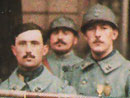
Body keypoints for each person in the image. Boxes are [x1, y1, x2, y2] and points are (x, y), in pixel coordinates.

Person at [67, 4, 130, 97]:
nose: (97, 34)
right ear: (85, 36)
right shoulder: (73, 72)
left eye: (104, 28)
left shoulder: (126, 72)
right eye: (91, 29)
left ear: (114, 34)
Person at [0, 23, 76, 94]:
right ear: (14, 50)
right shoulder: (3, 90)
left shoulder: (63, 92)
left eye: (34, 43)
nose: (28, 50)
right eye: (22, 44)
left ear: (44, 50)